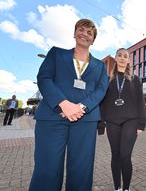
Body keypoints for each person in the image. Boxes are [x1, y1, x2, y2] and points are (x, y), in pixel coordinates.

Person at [29, 19, 108, 191]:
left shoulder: (101, 66)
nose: (84, 34)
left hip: (85, 121)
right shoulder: (56, 54)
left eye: (89, 32)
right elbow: (44, 78)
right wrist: (63, 103)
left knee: (81, 170)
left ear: (93, 40)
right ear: (74, 33)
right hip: (52, 118)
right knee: (47, 168)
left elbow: (101, 90)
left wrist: (82, 107)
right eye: (81, 30)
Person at [98, 48, 146, 191]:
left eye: (125, 56)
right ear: (116, 58)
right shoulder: (108, 80)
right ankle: (117, 187)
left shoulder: (135, 79)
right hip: (112, 122)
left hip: (131, 121)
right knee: (115, 155)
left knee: (125, 155)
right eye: (120, 55)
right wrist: (102, 124)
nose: (123, 58)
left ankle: (126, 188)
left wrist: (141, 125)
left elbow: (140, 102)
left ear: (129, 59)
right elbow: (103, 103)